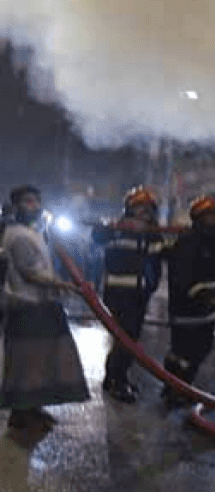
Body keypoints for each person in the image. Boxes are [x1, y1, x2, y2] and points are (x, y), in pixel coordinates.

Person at [0, 185, 89, 431]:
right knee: (27, 361)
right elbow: (31, 272)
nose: (35, 206)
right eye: (28, 202)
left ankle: (34, 407)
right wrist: (62, 284)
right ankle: (21, 413)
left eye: (37, 201)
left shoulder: (34, 232)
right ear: (16, 206)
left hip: (41, 303)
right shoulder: (17, 235)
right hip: (26, 305)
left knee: (41, 360)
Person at [160, 196, 215, 407]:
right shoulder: (188, 240)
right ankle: (179, 388)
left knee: (193, 349)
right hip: (187, 308)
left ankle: (173, 386)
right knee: (187, 351)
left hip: (207, 309)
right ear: (198, 218)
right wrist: (201, 293)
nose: (213, 220)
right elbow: (182, 274)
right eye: (209, 216)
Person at [91, 186, 167, 403]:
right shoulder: (118, 228)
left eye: (148, 210)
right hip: (120, 292)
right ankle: (117, 381)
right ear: (129, 210)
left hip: (141, 292)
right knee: (126, 338)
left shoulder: (153, 234)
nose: (144, 214)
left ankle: (115, 377)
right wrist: (108, 227)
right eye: (139, 209)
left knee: (129, 338)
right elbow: (97, 236)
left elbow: (161, 255)